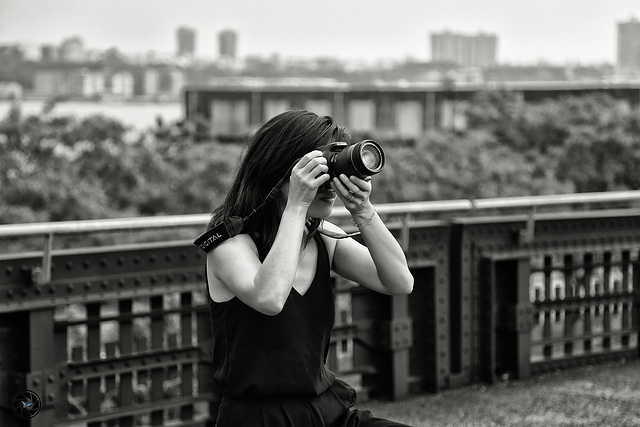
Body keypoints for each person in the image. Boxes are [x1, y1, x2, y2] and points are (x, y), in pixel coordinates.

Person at [199, 110, 414, 426]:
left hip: (328, 410)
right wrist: (296, 205)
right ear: (279, 173)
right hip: (259, 418)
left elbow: (399, 281)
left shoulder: (322, 238)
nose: (329, 182)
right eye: (318, 170)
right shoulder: (229, 246)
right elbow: (269, 298)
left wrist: (362, 209)